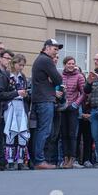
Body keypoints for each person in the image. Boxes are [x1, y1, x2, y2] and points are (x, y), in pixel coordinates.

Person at [31, 39, 63, 170]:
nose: (56, 52)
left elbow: (54, 79)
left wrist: (52, 79)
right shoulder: (46, 60)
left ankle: (38, 160)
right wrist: (52, 78)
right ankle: (39, 161)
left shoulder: (40, 59)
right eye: (55, 49)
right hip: (45, 100)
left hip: (41, 99)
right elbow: (59, 79)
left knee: (41, 131)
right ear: (47, 48)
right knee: (44, 131)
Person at [60, 56, 86, 169]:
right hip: (62, 108)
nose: (71, 65)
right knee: (64, 134)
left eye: (73, 63)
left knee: (72, 134)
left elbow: (84, 93)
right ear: (65, 64)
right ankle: (65, 157)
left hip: (72, 108)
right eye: (68, 63)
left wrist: (76, 104)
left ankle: (72, 158)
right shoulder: (61, 76)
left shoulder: (79, 76)